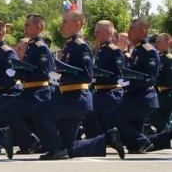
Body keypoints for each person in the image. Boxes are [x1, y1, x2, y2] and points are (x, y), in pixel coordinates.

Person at [34, 10, 125, 159]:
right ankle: (108, 139)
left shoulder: (81, 46)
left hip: (76, 98)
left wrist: (62, 75)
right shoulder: (70, 45)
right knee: (70, 148)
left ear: (77, 24)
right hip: (70, 97)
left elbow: (87, 76)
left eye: (65, 22)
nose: (62, 25)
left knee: (40, 111)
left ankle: (56, 149)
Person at [103, 18, 171, 154]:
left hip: (142, 97)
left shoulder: (149, 51)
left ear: (143, 31)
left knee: (111, 117)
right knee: (133, 146)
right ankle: (155, 141)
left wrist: (130, 83)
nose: (129, 32)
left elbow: (150, 78)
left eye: (132, 29)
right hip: (134, 96)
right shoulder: (137, 50)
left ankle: (144, 141)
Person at [0, 15, 54, 155]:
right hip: (28, 91)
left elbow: (44, 73)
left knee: (7, 111)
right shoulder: (31, 46)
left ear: (39, 27)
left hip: (38, 92)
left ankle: (31, 141)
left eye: (28, 25)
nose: (25, 28)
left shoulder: (41, 48)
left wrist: (21, 74)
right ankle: (29, 141)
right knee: (4, 104)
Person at [88, 20, 124, 137]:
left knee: (111, 125)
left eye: (98, 32)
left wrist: (100, 74)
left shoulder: (114, 51)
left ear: (108, 32)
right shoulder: (100, 50)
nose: (95, 34)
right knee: (96, 126)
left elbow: (118, 73)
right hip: (99, 92)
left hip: (110, 93)